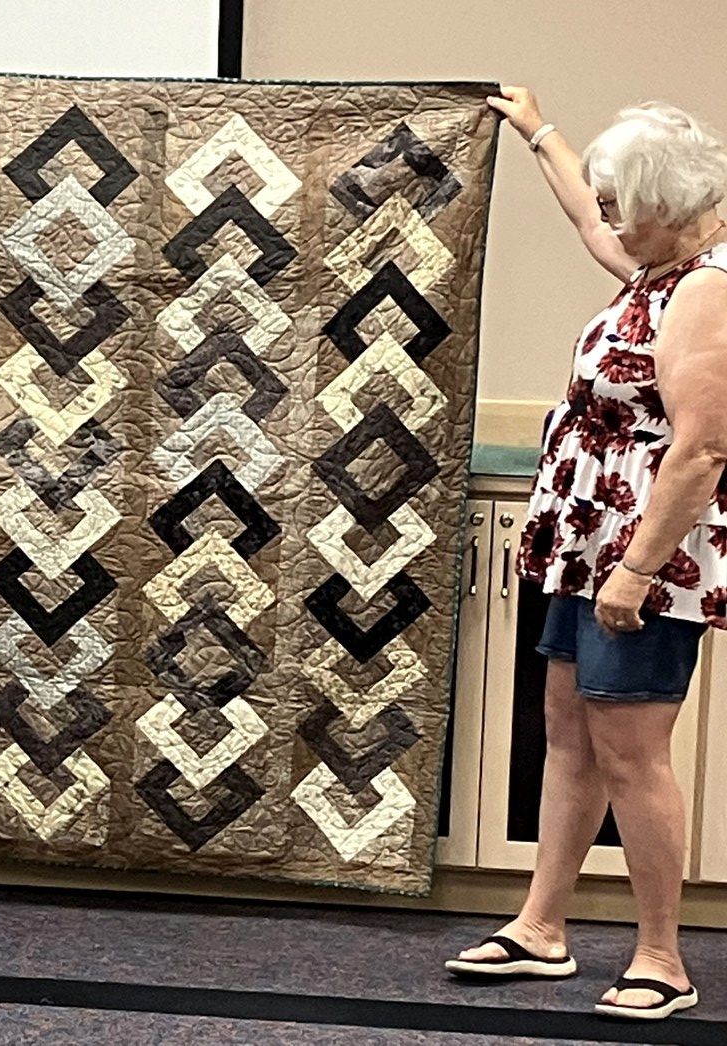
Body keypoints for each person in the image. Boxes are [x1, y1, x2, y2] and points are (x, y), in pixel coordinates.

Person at [445, 87, 727, 1021]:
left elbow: (703, 451)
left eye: (620, 203)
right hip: (588, 543)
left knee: (632, 749)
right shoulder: (655, 270)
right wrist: (538, 129)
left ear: (665, 200)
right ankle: (541, 928)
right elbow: (579, 213)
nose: (605, 218)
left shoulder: (708, 289)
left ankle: (662, 959)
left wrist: (637, 571)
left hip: (643, 556)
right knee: (568, 729)